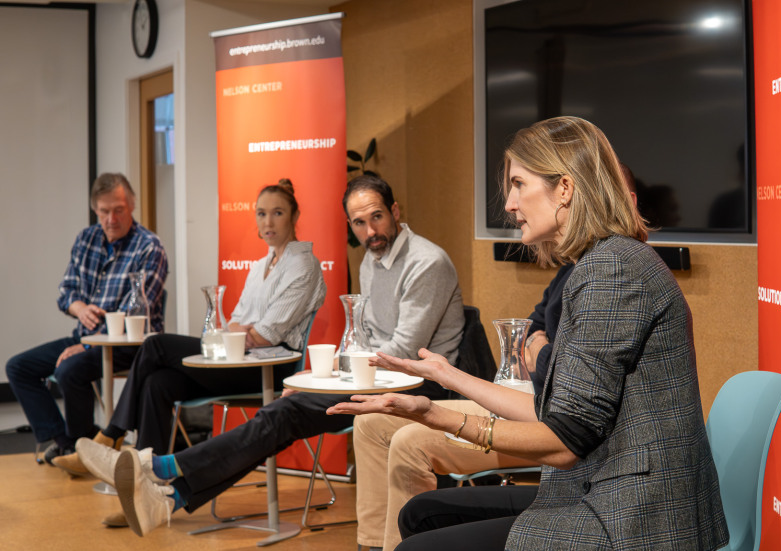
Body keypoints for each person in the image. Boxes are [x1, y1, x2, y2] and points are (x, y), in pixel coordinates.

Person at [327, 116, 729, 550]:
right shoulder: (601, 263)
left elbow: (564, 441)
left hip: (634, 517)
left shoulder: (612, 271)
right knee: (420, 513)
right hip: (602, 485)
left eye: (518, 184)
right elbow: (553, 412)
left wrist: (432, 413)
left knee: (418, 541)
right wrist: (446, 375)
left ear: (565, 189)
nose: (511, 204)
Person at [79, 174, 465, 536]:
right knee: (269, 412)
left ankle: (156, 467)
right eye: (359, 223)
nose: (370, 231)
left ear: (395, 212)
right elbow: (364, 340)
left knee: (279, 414)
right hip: (374, 379)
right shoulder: (372, 260)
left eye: (377, 217)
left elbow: (402, 352)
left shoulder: (425, 262)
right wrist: (320, 379)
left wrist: (323, 381)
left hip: (417, 388)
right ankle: (166, 498)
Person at [53, 178, 326, 475]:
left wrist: (246, 332)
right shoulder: (260, 266)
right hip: (239, 358)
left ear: (295, 216)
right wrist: (244, 331)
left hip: (271, 368)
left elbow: (264, 336)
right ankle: (146, 481)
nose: (268, 221)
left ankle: (111, 434)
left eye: (278, 212)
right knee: (158, 382)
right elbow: (235, 321)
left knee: (155, 344)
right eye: (261, 213)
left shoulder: (303, 264)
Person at [353, 263, 572, 551]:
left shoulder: (607, 273)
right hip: (530, 399)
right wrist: (448, 375)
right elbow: (532, 326)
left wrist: (540, 350)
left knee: (410, 441)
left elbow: (558, 369)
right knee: (370, 423)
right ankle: (371, 545)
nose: (510, 214)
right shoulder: (569, 268)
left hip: (548, 416)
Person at [6, 172, 168, 464]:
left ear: (132, 206)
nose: (111, 219)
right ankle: (69, 443)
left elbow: (136, 310)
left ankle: (87, 449)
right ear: (96, 210)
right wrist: (78, 307)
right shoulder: (87, 238)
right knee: (19, 367)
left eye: (118, 210)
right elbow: (65, 290)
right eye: (104, 211)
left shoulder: (149, 247)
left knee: (70, 370)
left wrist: (89, 346)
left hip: (130, 345)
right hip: (84, 336)